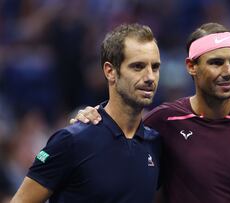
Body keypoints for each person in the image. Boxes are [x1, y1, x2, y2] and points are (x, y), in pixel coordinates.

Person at [73, 22, 230, 202]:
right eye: (216, 63)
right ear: (191, 67)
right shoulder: (163, 122)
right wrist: (93, 115)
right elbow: (115, 142)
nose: (228, 72)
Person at [10, 23, 162, 203]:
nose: (150, 77)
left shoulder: (156, 144)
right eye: (138, 66)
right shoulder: (71, 141)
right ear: (110, 71)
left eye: (155, 67)